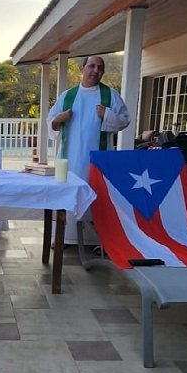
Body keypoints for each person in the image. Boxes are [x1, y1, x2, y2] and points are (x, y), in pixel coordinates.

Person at [47, 55, 130, 245]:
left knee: (96, 195)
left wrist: (107, 114)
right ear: (82, 68)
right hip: (70, 158)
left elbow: (124, 120)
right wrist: (59, 119)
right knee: (68, 194)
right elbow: (51, 121)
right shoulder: (68, 96)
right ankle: (64, 238)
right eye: (91, 66)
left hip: (98, 159)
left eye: (100, 68)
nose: (95, 71)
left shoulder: (110, 95)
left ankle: (95, 241)